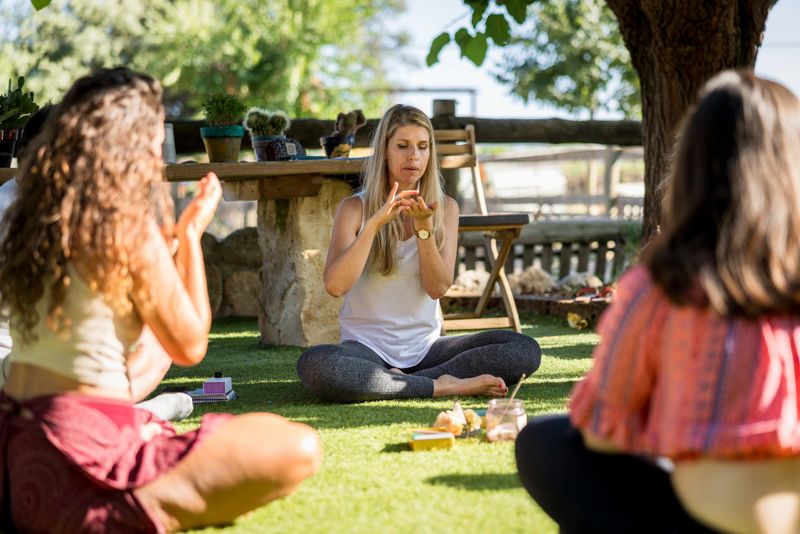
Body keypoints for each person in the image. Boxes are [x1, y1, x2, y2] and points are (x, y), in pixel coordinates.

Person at [0, 67, 320, 533]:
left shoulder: (21, 219)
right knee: (296, 447)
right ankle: (119, 507)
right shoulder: (121, 225)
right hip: (78, 459)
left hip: (13, 445)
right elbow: (189, 346)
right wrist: (190, 235)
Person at [515, 69, 800, 534]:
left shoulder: (661, 289)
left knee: (546, 443)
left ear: (690, 166)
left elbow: (600, 436)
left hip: (706, 520)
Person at [297, 104, 541, 403]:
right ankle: (443, 385)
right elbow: (335, 286)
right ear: (385, 150)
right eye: (403, 146)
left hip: (429, 350)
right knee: (317, 366)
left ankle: (405, 383)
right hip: (366, 351)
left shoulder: (445, 209)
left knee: (523, 348)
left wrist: (424, 229)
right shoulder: (354, 208)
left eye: (423, 147)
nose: (414, 156)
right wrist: (374, 224)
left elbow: (437, 288)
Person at [0, 105, 193, 422]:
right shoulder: (57, 218)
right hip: (30, 377)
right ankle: (118, 416)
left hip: (26, 374)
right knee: (158, 339)